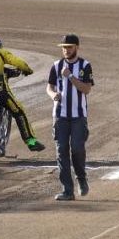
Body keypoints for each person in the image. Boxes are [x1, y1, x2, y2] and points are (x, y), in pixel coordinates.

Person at [46, 34, 94, 199]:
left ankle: (81, 178)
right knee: (61, 151)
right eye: (64, 47)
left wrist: (70, 76)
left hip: (78, 115)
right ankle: (67, 190)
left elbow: (87, 89)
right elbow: (49, 87)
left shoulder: (85, 65)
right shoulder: (56, 65)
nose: (66, 50)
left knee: (77, 148)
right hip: (60, 115)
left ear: (77, 48)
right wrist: (53, 95)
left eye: (69, 47)